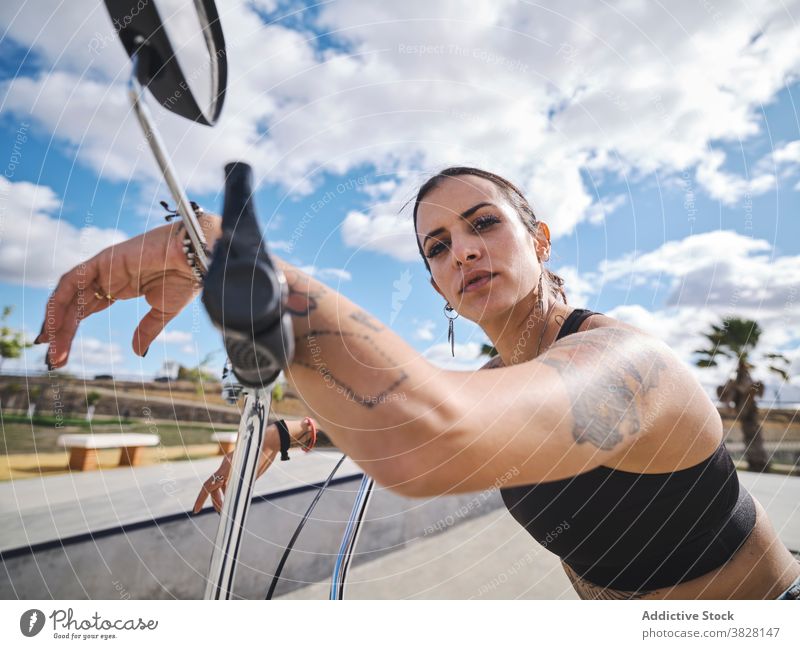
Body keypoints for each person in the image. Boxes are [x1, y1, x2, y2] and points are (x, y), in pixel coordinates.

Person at [35, 166, 800, 600]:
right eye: (439, 245)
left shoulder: (631, 367)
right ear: (436, 284)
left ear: (538, 238)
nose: (462, 251)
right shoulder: (505, 377)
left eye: (484, 224)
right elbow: (442, 406)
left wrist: (229, 257)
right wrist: (287, 431)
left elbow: (432, 428)